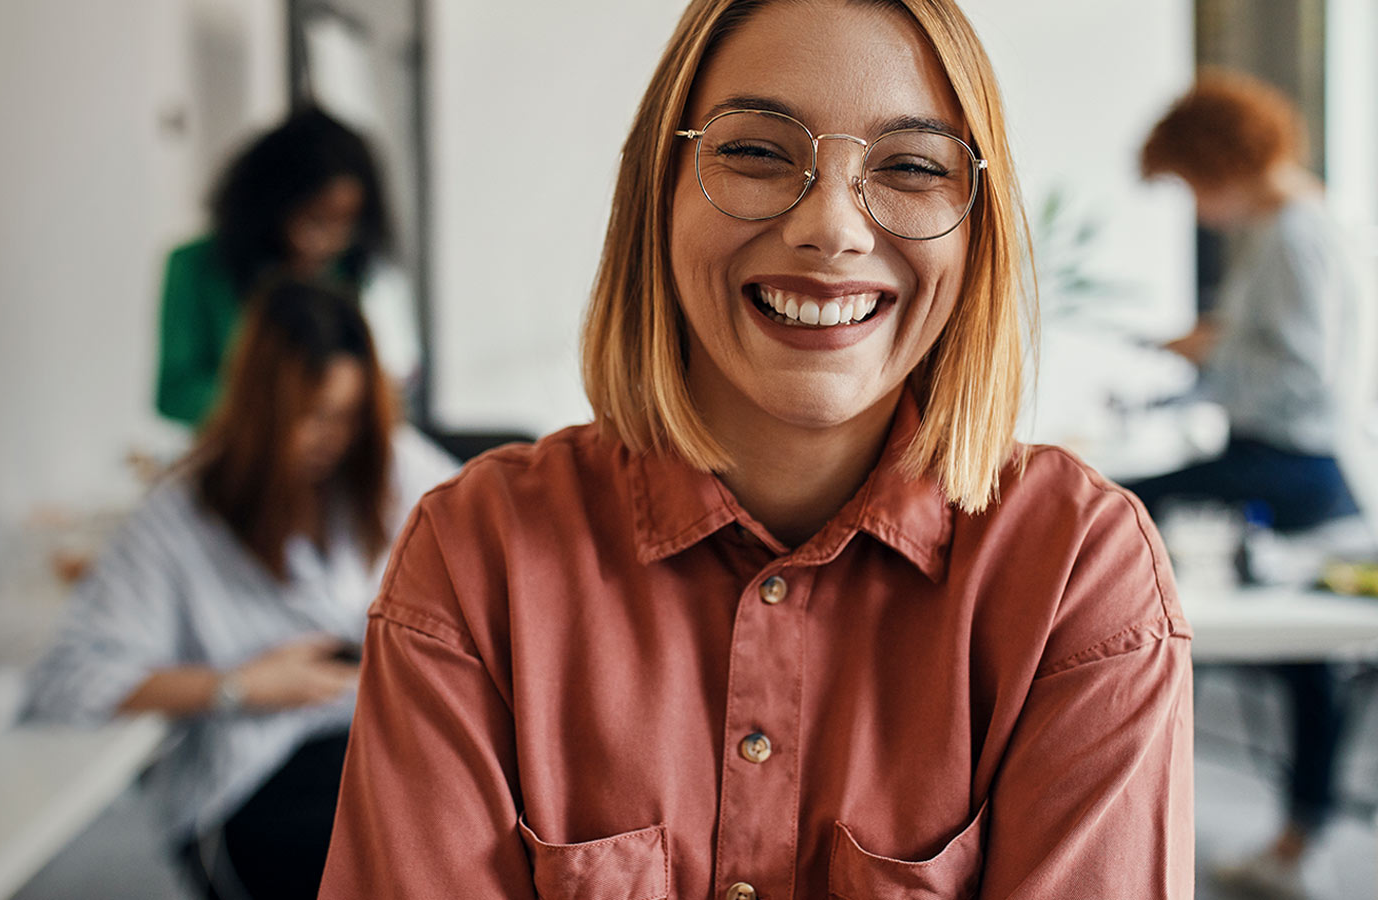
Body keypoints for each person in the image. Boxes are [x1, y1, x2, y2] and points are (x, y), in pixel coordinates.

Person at [318, 1, 1194, 898]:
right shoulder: (477, 558)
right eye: (755, 152)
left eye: (911, 166)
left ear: (979, 233)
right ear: (658, 192)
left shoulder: (1078, 572)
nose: (833, 230)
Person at [31, 279, 458, 900]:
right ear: (260, 410)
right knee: (388, 865)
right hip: (260, 774)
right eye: (310, 417)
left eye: (346, 416)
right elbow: (67, 680)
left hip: (386, 746)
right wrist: (238, 688)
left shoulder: (390, 466)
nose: (330, 438)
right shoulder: (178, 520)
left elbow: (494, 558)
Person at [1128, 71, 1367, 899]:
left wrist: (1210, 354)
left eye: (1193, 184)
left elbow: (1302, 379)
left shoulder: (1296, 231)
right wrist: (1188, 368)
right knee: (1304, 666)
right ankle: (1294, 838)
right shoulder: (1278, 228)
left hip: (1296, 468)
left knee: (1115, 509)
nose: (1196, 206)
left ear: (1218, 161)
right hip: (1278, 457)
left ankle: (1294, 839)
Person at [155, 106, 392, 428]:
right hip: (239, 460)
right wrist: (284, 398)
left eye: (345, 225)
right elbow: (176, 393)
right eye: (315, 220)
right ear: (272, 205)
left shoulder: (342, 273)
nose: (328, 242)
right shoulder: (196, 266)